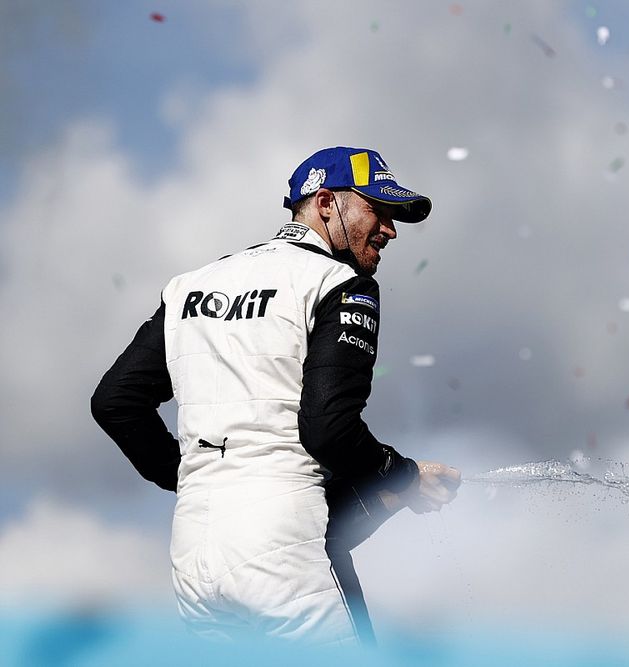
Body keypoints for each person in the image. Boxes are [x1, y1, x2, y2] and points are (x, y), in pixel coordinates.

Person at [91, 146, 462, 646]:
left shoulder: (192, 284)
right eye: (378, 210)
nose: (391, 229)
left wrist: (193, 478)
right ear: (326, 203)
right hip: (285, 547)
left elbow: (115, 401)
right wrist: (402, 473)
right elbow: (329, 429)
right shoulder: (340, 282)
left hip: (194, 552)